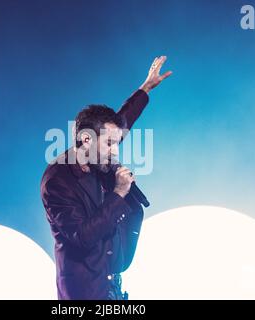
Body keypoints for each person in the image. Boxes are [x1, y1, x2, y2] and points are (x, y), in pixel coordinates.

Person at [40, 56, 172, 300]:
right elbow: (83, 236)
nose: (115, 150)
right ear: (86, 139)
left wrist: (145, 89)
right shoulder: (57, 180)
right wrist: (119, 193)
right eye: (110, 143)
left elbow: (122, 121)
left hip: (111, 285)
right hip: (85, 293)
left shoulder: (98, 155)